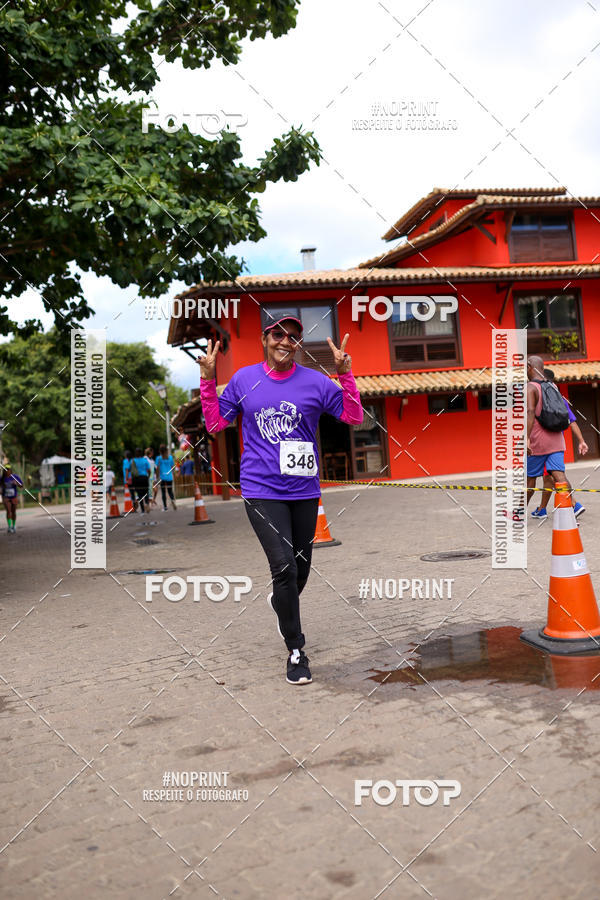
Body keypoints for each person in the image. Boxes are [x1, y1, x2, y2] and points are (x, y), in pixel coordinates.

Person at [198, 316, 363, 685]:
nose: (285, 341)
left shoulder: (316, 382)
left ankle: (280, 603)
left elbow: (353, 415)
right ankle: (296, 649)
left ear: (298, 344)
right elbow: (214, 424)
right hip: (261, 491)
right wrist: (207, 380)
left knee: (300, 571)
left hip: (304, 491)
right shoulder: (243, 379)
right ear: (264, 339)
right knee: (284, 567)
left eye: (293, 337)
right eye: (278, 335)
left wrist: (344, 374)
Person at [531, 369, 588, 519]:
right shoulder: (560, 398)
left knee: (554, 477)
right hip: (557, 445)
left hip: (543, 447)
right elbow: (572, 421)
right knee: (550, 477)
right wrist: (581, 441)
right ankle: (543, 509)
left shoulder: (537, 396)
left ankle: (574, 504)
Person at [525, 356, 571, 521]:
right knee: (559, 476)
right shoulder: (553, 385)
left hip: (539, 442)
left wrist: (527, 438)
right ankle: (570, 512)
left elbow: (530, 412)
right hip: (557, 440)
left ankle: (518, 514)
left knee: (530, 479)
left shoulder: (531, 387)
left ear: (529, 366)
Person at [1, 461, 23, 534]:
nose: (7, 471)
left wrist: (16, 483)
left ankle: (13, 525)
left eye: (8, 469)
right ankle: (9, 527)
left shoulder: (15, 477)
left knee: (13, 512)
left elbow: (21, 486)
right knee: (8, 511)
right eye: (6, 469)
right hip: (6, 497)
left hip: (14, 497)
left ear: (11, 470)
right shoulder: (2, 479)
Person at [156, 444, 177, 511]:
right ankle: (173, 500)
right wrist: (173, 474)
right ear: (166, 450)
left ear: (160, 451)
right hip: (169, 477)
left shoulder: (158, 458)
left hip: (162, 477)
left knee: (163, 492)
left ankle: (165, 507)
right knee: (170, 491)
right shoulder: (170, 457)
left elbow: (157, 469)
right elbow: (173, 467)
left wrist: (157, 477)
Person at [130, 447, 151, 513]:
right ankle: (147, 504)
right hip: (144, 478)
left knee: (140, 494)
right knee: (146, 492)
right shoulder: (145, 460)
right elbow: (149, 470)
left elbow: (132, 471)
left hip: (137, 479)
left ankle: (142, 510)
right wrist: (148, 477)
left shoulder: (133, 461)